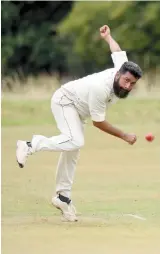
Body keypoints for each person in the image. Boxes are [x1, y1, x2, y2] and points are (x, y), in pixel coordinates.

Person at [15, 25, 143, 222]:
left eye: (132, 84)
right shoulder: (101, 88)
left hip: (78, 110)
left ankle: (62, 197)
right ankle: (30, 145)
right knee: (75, 141)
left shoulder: (122, 67)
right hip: (65, 101)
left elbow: (117, 52)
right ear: (118, 75)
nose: (127, 86)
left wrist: (108, 37)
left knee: (72, 150)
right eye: (126, 81)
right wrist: (124, 135)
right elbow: (98, 122)